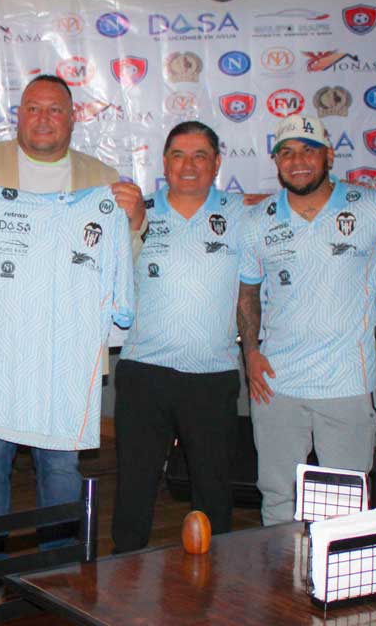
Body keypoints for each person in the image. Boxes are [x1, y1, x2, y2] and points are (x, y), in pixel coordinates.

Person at [0, 74, 141, 609]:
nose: (43, 119)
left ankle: (57, 576)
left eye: (56, 110)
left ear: (73, 117)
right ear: (18, 115)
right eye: (33, 109)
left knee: (60, 468)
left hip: (65, 355)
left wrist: (133, 221)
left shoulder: (104, 182)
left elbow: (122, 262)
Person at [236, 114, 376, 527]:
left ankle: (339, 592)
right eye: (286, 153)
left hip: (346, 384)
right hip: (276, 383)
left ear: (329, 155)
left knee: (343, 508)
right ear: (276, 162)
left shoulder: (374, 207)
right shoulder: (257, 220)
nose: (298, 161)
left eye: (309, 150)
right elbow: (248, 292)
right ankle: (277, 591)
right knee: (277, 500)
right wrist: (250, 352)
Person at [111, 121, 246, 552]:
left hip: (212, 375)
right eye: (178, 156)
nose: (188, 166)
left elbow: (302, 198)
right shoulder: (136, 215)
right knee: (134, 484)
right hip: (144, 371)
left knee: (213, 488)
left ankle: (219, 582)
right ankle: (123, 575)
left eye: (200, 156)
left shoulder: (244, 213)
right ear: (164, 162)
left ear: (217, 163)